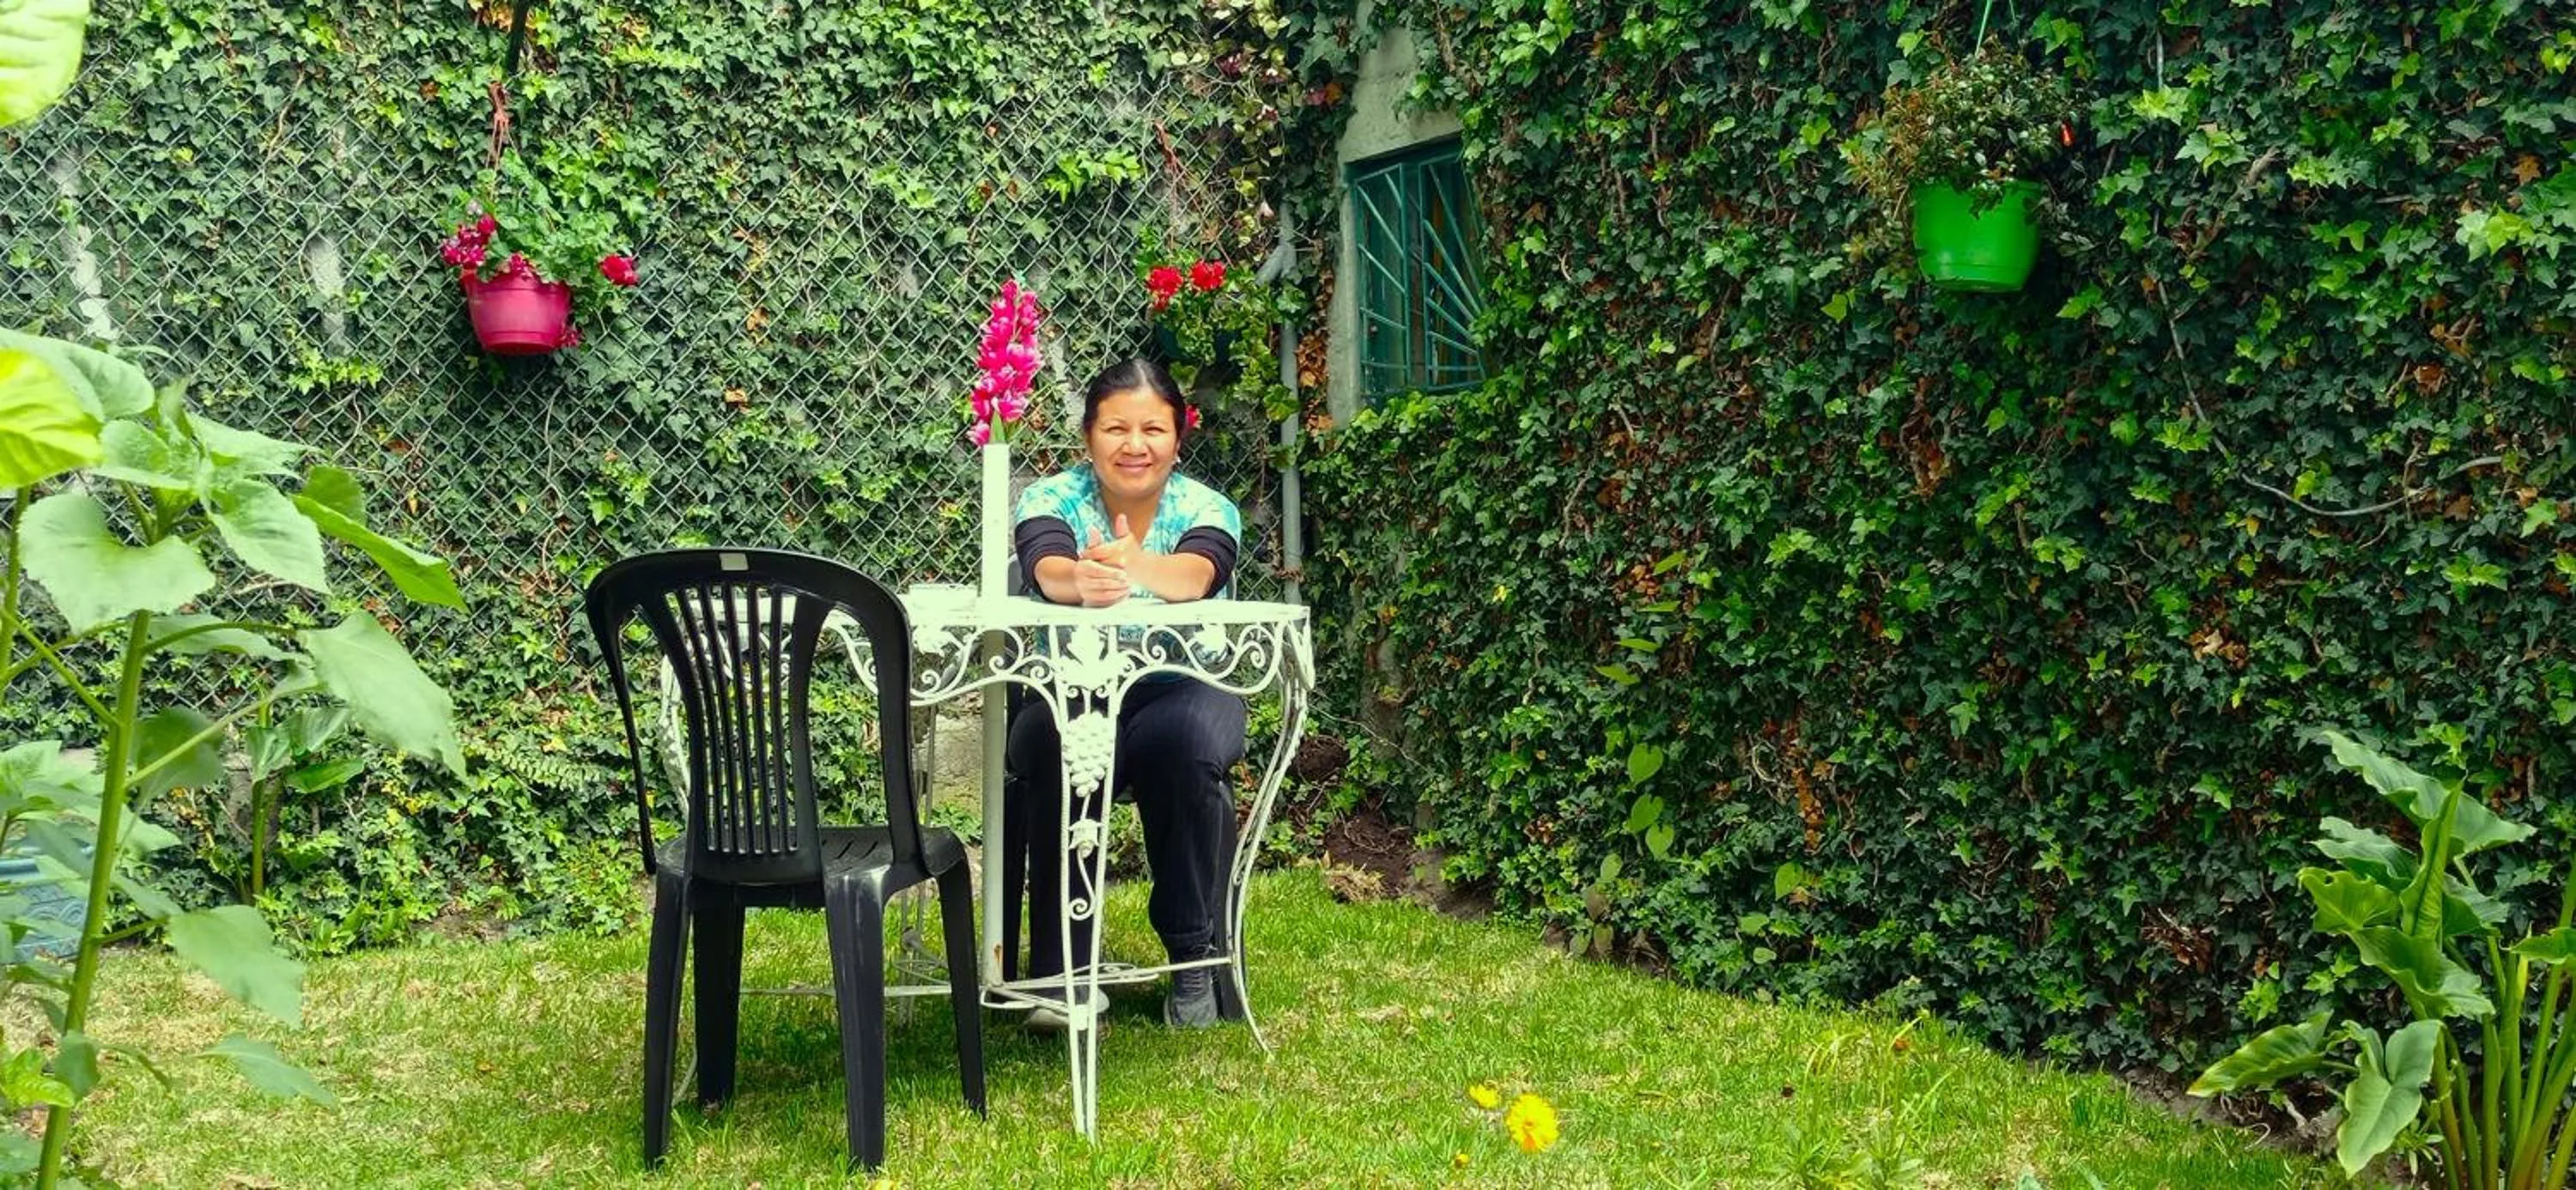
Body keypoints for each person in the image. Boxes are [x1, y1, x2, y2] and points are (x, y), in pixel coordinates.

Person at [1007, 357, 1247, 1029]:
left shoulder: (1207, 508)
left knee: (1185, 744)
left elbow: (1198, 574)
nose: (1134, 445)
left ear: (1178, 437)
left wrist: (1132, 563)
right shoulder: (1050, 498)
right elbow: (1044, 564)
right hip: (1072, 692)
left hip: (1185, 686)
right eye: (1116, 428)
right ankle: (1061, 973)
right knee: (1049, 741)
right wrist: (1077, 581)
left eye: (1153, 429)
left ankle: (1190, 957)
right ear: (1088, 436)